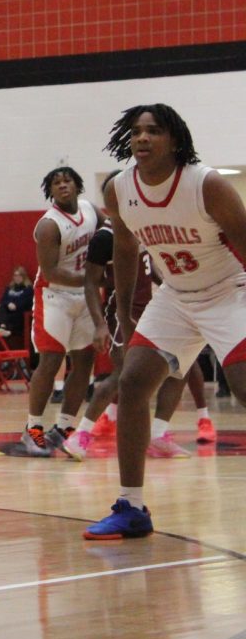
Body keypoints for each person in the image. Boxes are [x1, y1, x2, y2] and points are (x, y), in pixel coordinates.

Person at [84, 104, 246, 540]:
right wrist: (121, 310)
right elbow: (123, 246)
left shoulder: (206, 183)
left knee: (244, 384)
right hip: (175, 295)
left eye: (153, 131)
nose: (142, 138)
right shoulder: (120, 189)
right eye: (136, 131)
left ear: (174, 139)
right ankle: (131, 507)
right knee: (133, 382)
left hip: (231, 290)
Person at [61, 190, 190, 461]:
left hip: (154, 309)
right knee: (124, 374)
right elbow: (89, 283)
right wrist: (99, 325)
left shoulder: (142, 224)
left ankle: (157, 435)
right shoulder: (104, 237)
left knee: (181, 368)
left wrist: (166, 282)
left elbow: (146, 266)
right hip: (122, 312)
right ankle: (81, 435)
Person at [19, 166, 102, 457]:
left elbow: (109, 236)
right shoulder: (49, 225)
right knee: (51, 361)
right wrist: (92, 279)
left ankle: (65, 426)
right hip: (54, 295)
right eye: (56, 183)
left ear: (78, 185)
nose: (62, 185)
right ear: (50, 191)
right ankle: (33, 428)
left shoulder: (91, 211)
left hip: (85, 295)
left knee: (84, 361)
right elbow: (52, 271)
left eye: (67, 180)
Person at [0, 266, 33, 342]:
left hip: (19, 313)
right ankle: (2, 328)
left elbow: (25, 303)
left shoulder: (28, 289)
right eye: (15, 275)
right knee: (0, 312)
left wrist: (14, 305)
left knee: (1, 316)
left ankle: (3, 328)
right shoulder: (9, 288)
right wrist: (7, 304)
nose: (17, 278)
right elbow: (2, 300)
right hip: (6, 311)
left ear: (24, 277)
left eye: (19, 276)